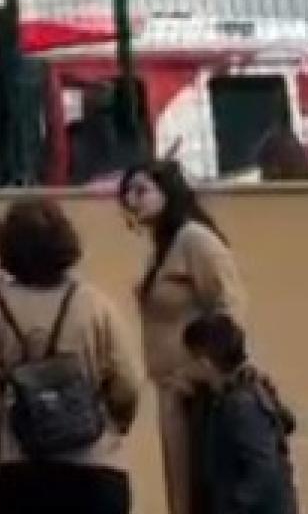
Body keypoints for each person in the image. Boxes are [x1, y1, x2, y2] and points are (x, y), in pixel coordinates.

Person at [0, 199, 142, 514]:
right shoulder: (93, 304)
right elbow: (127, 380)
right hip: (95, 464)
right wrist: (117, 419)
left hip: (22, 465)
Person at [119, 160, 247, 514]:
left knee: (202, 491)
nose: (132, 200)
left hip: (199, 393)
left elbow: (230, 305)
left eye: (142, 191)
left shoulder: (195, 240)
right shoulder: (165, 246)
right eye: (128, 193)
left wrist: (204, 370)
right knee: (181, 493)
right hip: (171, 390)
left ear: (168, 192)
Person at [183, 313, 298, 514]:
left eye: (189, 359)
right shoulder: (225, 396)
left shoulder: (242, 404)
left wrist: (235, 506)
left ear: (204, 364)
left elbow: (262, 470)